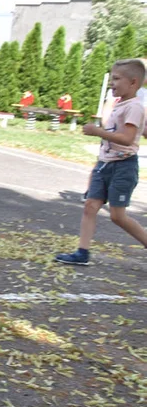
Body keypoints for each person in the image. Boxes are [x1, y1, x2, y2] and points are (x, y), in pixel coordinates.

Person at [56, 59, 147, 265]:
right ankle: (82, 252)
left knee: (117, 216)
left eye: (116, 79)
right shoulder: (121, 104)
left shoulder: (134, 107)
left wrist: (98, 131)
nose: (112, 83)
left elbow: (127, 138)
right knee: (90, 205)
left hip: (123, 167)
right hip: (105, 164)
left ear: (133, 83)